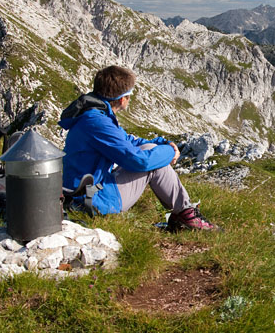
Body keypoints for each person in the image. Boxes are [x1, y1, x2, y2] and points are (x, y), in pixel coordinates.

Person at [58, 65, 217, 231]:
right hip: (93, 199)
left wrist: (161, 143)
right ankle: (187, 216)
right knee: (154, 163)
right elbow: (138, 162)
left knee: (150, 148)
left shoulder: (95, 115)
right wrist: (170, 152)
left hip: (86, 190)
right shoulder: (97, 123)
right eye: (129, 95)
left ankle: (183, 213)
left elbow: (127, 141)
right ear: (122, 99)